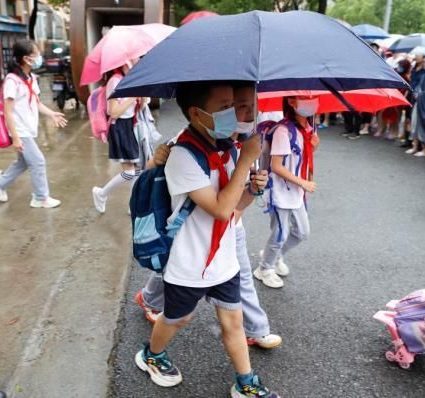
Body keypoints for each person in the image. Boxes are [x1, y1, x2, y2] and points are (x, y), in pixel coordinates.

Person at [134, 80, 279, 397]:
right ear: (197, 113)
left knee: (234, 324)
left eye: (235, 104)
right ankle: (151, 354)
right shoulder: (183, 156)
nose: (235, 112)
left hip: (223, 262)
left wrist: (252, 190)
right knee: (177, 319)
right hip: (189, 265)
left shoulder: (226, 146)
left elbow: (236, 208)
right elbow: (219, 210)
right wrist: (244, 163)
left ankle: (246, 383)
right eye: (225, 106)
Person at [255, 96, 319, 289]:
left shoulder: (308, 127)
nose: (313, 101)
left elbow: (301, 155)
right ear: (291, 102)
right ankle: (264, 268)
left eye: (314, 98)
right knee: (280, 234)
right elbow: (276, 166)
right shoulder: (283, 131)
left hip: (296, 192)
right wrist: (303, 183)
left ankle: (273, 256)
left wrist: (314, 146)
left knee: (301, 232)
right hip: (280, 191)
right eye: (306, 98)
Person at [0, 39, 67, 207]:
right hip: (19, 130)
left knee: (24, 162)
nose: (40, 57)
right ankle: (40, 198)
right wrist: (16, 137)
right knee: (38, 161)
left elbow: (37, 102)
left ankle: (0, 184)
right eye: (37, 54)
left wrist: (52, 114)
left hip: (27, 128)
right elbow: (7, 111)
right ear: (27, 59)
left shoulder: (31, 78)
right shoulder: (12, 81)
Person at [91, 59, 149, 214]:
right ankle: (101, 193)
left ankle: (133, 204)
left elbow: (140, 107)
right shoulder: (115, 81)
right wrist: (132, 97)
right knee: (130, 172)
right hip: (119, 127)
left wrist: (142, 98)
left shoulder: (129, 80)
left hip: (131, 125)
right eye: (133, 61)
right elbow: (113, 111)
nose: (136, 63)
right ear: (123, 63)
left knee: (136, 169)